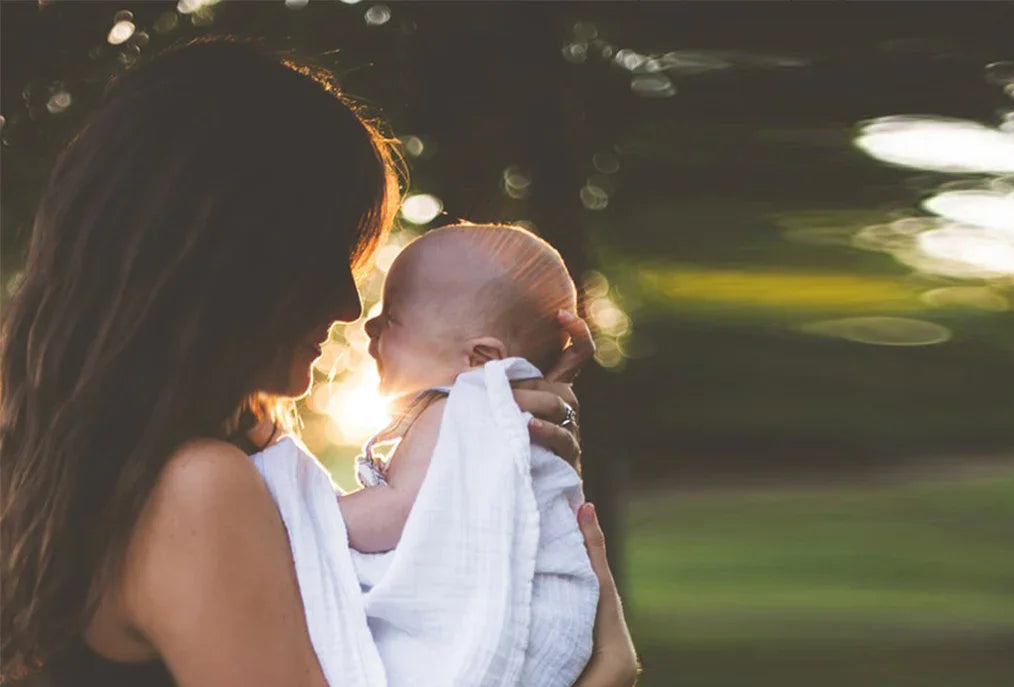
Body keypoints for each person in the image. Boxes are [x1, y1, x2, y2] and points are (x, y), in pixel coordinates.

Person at [0, 37, 637, 686]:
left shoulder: (94, 474)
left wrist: (500, 438)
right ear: (227, 259)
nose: (347, 305)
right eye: (325, 259)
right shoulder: (197, 489)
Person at [336, 223, 598, 686]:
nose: (369, 325)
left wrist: (305, 511)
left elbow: (397, 513)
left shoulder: (456, 410)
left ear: (479, 360)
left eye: (391, 317)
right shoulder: (501, 419)